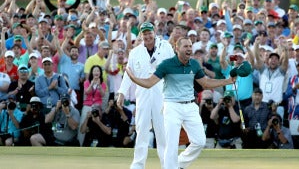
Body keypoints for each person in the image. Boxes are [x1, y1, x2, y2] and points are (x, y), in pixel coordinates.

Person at [125, 37, 237, 169]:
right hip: (172, 107)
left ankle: (179, 164)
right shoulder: (166, 65)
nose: (189, 49)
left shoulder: (194, 64)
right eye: (186, 46)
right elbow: (149, 83)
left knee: (200, 141)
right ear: (176, 48)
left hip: (190, 106)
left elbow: (205, 83)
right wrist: (133, 78)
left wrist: (228, 81)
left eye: (190, 46)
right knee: (171, 144)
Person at [117, 22, 174, 169]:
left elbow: (174, 68)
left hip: (161, 93)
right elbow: (128, 74)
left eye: (149, 33)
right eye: (144, 33)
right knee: (141, 130)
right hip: (142, 94)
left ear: (154, 32)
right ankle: (138, 164)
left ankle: (167, 164)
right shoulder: (135, 52)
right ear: (141, 35)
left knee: (162, 131)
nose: (147, 36)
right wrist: (122, 93)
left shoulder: (165, 47)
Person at [78, 65, 106, 146]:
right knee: (83, 122)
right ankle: (80, 144)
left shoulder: (103, 83)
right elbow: (87, 92)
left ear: (100, 73)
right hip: (87, 105)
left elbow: (103, 94)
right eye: (94, 71)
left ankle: (99, 144)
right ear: (92, 73)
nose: (96, 72)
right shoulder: (86, 82)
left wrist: (99, 86)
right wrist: (92, 84)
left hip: (97, 106)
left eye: (98, 71)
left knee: (97, 124)